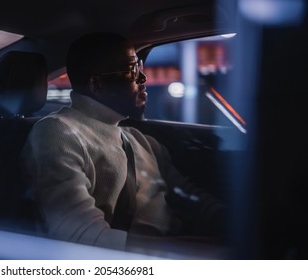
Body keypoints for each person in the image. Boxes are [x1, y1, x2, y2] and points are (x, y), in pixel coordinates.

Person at [20, 32, 226, 252]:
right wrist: (196, 253)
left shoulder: (139, 141)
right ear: (96, 85)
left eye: (141, 67)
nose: (144, 79)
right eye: (133, 71)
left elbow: (189, 199)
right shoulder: (57, 133)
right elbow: (81, 239)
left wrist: (231, 222)